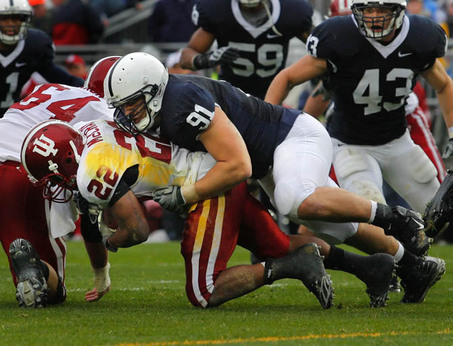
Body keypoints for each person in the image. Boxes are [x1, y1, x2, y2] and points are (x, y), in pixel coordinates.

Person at [104, 52, 445, 304]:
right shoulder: (168, 104)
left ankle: (397, 217)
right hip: (270, 158)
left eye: (133, 104)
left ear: (153, 91)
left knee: (293, 200)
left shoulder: (182, 103)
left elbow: (238, 166)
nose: (130, 114)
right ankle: (413, 267)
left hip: (292, 138)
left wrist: (185, 195)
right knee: (337, 226)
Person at [22, 118, 411, 309]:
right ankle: (371, 268)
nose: (53, 186)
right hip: (213, 172)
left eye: (49, 177)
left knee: (204, 291)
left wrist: (113, 240)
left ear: (61, 163)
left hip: (206, 186)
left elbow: (137, 228)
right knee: (277, 243)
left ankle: (292, 268)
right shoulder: (88, 128)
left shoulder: (91, 171)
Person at [265, 0, 453, 228]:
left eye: (382, 9)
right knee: (377, 221)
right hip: (351, 145)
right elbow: (288, 77)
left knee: (438, 217)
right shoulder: (340, 37)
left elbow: (443, 85)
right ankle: (405, 261)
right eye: (368, 10)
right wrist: (267, 125)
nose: (374, 16)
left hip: (397, 141)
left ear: (398, 11)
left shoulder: (419, 36)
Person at [0, 55, 120, 307]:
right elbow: (91, 213)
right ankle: (36, 269)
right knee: (52, 293)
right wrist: (101, 272)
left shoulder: (50, 88)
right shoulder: (106, 113)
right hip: (20, 169)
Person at [179, 0, 314, 99]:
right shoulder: (218, 10)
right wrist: (208, 59)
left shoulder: (292, 11)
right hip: (229, 96)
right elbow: (185, 57)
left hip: (272, 96)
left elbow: (321, 47)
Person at [0, 0, 84, 117]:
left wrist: (84, 87)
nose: (11, 24)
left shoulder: (34, 44)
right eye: (4, 18)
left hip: (11, 115)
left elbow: (55, 74)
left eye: (17, 18)